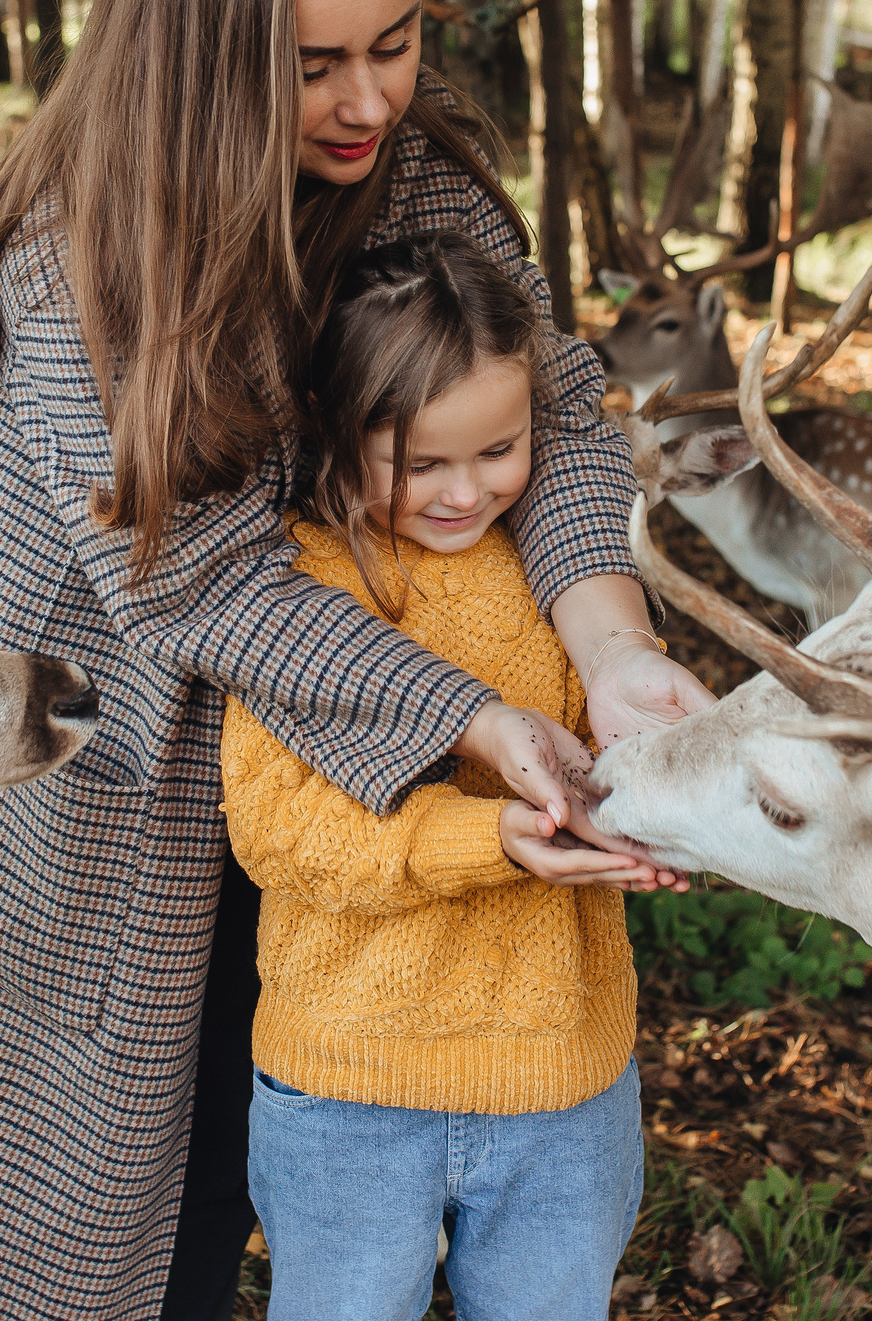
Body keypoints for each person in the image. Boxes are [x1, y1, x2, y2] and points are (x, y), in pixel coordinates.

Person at [0, 0, 712, 1321]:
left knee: (317, 1134)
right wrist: (476, 718)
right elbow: (202, 580)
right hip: (91, 772)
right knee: (114, 1208)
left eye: (396, 42)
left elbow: (563, 410)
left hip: (330, 738)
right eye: (314, 63)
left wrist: (609, 646)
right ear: (206, 45)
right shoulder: (76, 247)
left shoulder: (421, 185)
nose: (368, 99)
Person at [224, 231, 651, 1319]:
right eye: (419, 463)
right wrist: (483, 839)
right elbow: (277, 832)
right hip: (347, 1091)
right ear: (335, 431)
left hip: (561, 1083)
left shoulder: (560, 580)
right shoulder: (295, 587)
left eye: (499, 450)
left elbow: (603, 769)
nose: (466, 493)